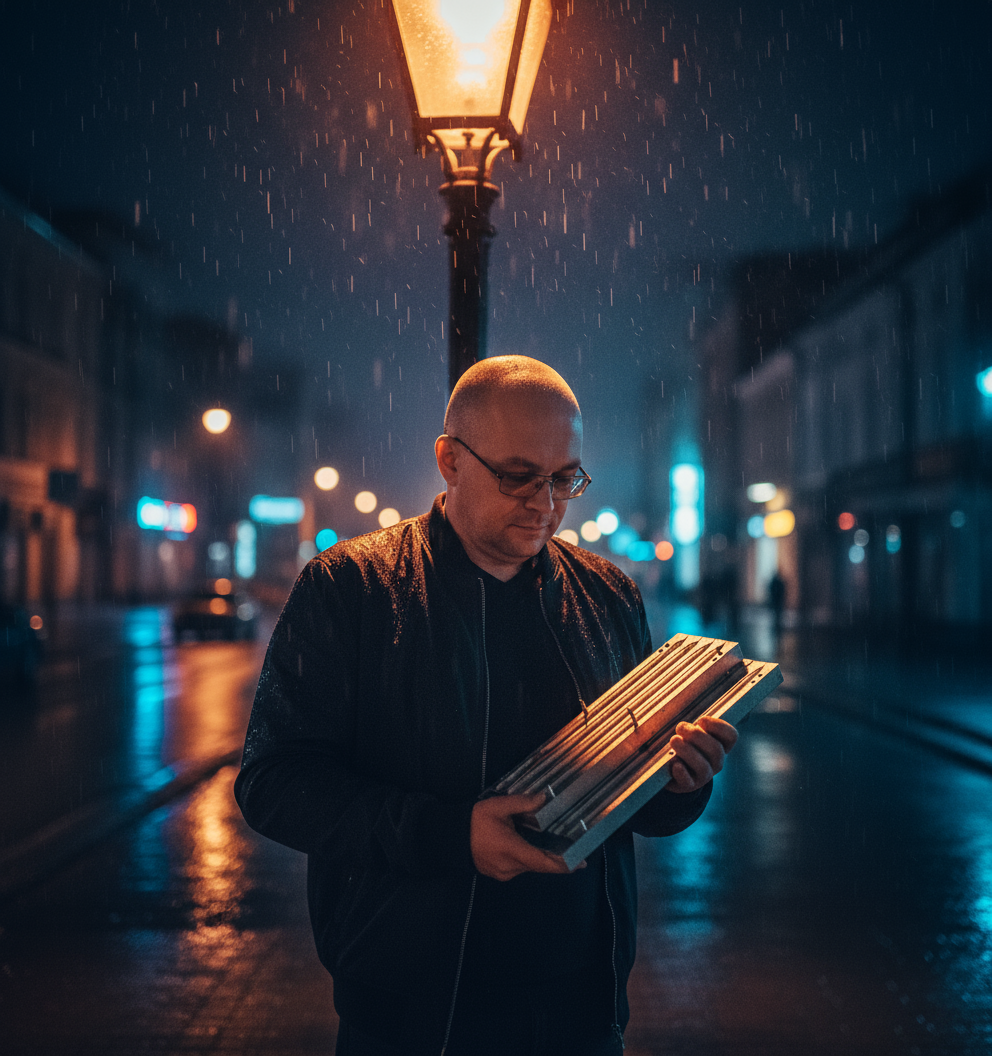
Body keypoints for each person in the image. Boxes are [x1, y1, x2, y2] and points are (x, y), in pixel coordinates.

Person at [235, 356, 737, 1056]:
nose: (545, 503)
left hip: (579, 1011)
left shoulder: (608, 596)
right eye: (518, 476)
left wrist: (681, 784)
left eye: (564, 478)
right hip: (410, 1016)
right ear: (450, 460)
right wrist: (452, 837)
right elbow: (273, 783)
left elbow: (631, 805)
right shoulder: (350, 588)